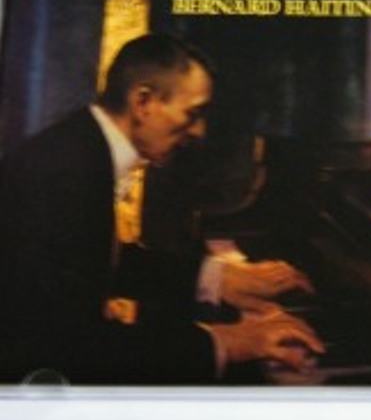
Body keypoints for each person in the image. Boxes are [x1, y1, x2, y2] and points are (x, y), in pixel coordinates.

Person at [0, 33, 324, 384]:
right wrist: (227, 342)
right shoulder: (66, 172)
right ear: (143, 102)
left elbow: (96, 261)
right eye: (192, 113)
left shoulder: (79, 145)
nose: (199, 132)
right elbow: (67, 347)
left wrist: (218, 279)